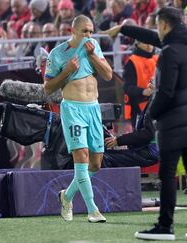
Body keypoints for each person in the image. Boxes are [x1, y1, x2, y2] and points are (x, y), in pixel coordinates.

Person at [102, 6, 187, 240]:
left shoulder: (170, 52)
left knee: (166, 174)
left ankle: (165, 226)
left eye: (157, 26)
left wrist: (152, 115)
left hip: (174, 124)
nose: (156, 32)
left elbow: (166, 92)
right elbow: (153, 38)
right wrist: (124, 28)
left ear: (163, 24)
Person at [44, 15, 112, 223]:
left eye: (91, 31)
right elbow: (47, 88)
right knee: (81, 156)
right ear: (73, 31)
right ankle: (93, 210)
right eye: (85, 31)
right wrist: (67, 71)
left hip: (93, 108)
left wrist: (93, 57)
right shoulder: (57, 54)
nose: (88, 35)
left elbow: (108, 75)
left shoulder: (94, 47)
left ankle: (67, 195)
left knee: (96, 163)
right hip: (72, 109)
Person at [103, 93, 159, 168]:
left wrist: (119, 141)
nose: (151, 81)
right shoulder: (154, 99)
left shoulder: (156, 101)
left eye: (153, 80)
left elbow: (148, 134)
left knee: (104, 157)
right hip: (146, 148)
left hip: (149, 151)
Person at [123, 38, 158, 128]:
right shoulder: (131, 62)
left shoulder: (158, 59)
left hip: (158, 104)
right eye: (145, 42)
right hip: (139, 107)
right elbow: (127, 87)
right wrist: (143, 91)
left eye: (151, 42)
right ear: (137, 44)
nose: (149, 45)